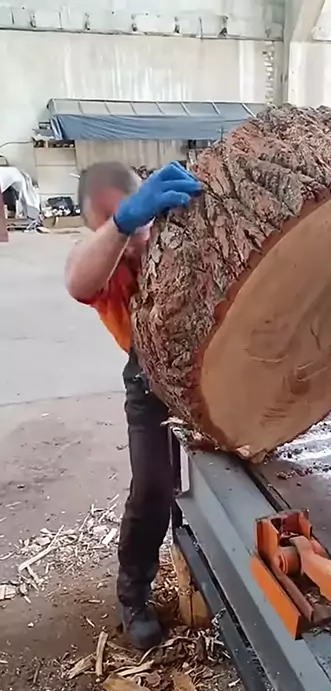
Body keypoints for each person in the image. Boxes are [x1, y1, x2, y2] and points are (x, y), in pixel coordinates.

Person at [66, 161, 202, 649]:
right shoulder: (108, 266)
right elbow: (77, 281)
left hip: (214, 368)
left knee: (232, 477)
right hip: (148, 379)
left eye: (122, 211)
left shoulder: (180, 232)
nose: (121, 234)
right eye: (103, 223)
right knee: (152, 489)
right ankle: (134, 596)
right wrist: (122, 225)